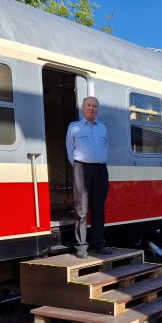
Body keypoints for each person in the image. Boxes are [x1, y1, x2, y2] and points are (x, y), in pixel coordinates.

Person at [66, 96, 112, 258]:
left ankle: (99, 244)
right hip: (82, 169)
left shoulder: (103, 128)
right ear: (83, 108)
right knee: (81, 209)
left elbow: (105, 148)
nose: (91, 108)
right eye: (88, 105)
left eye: (94, 106)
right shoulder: (74, 127)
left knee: (99, 209)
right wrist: (80, 167)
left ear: (97, 109)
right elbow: (70, 151)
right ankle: (81, 247)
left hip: (100, 169)